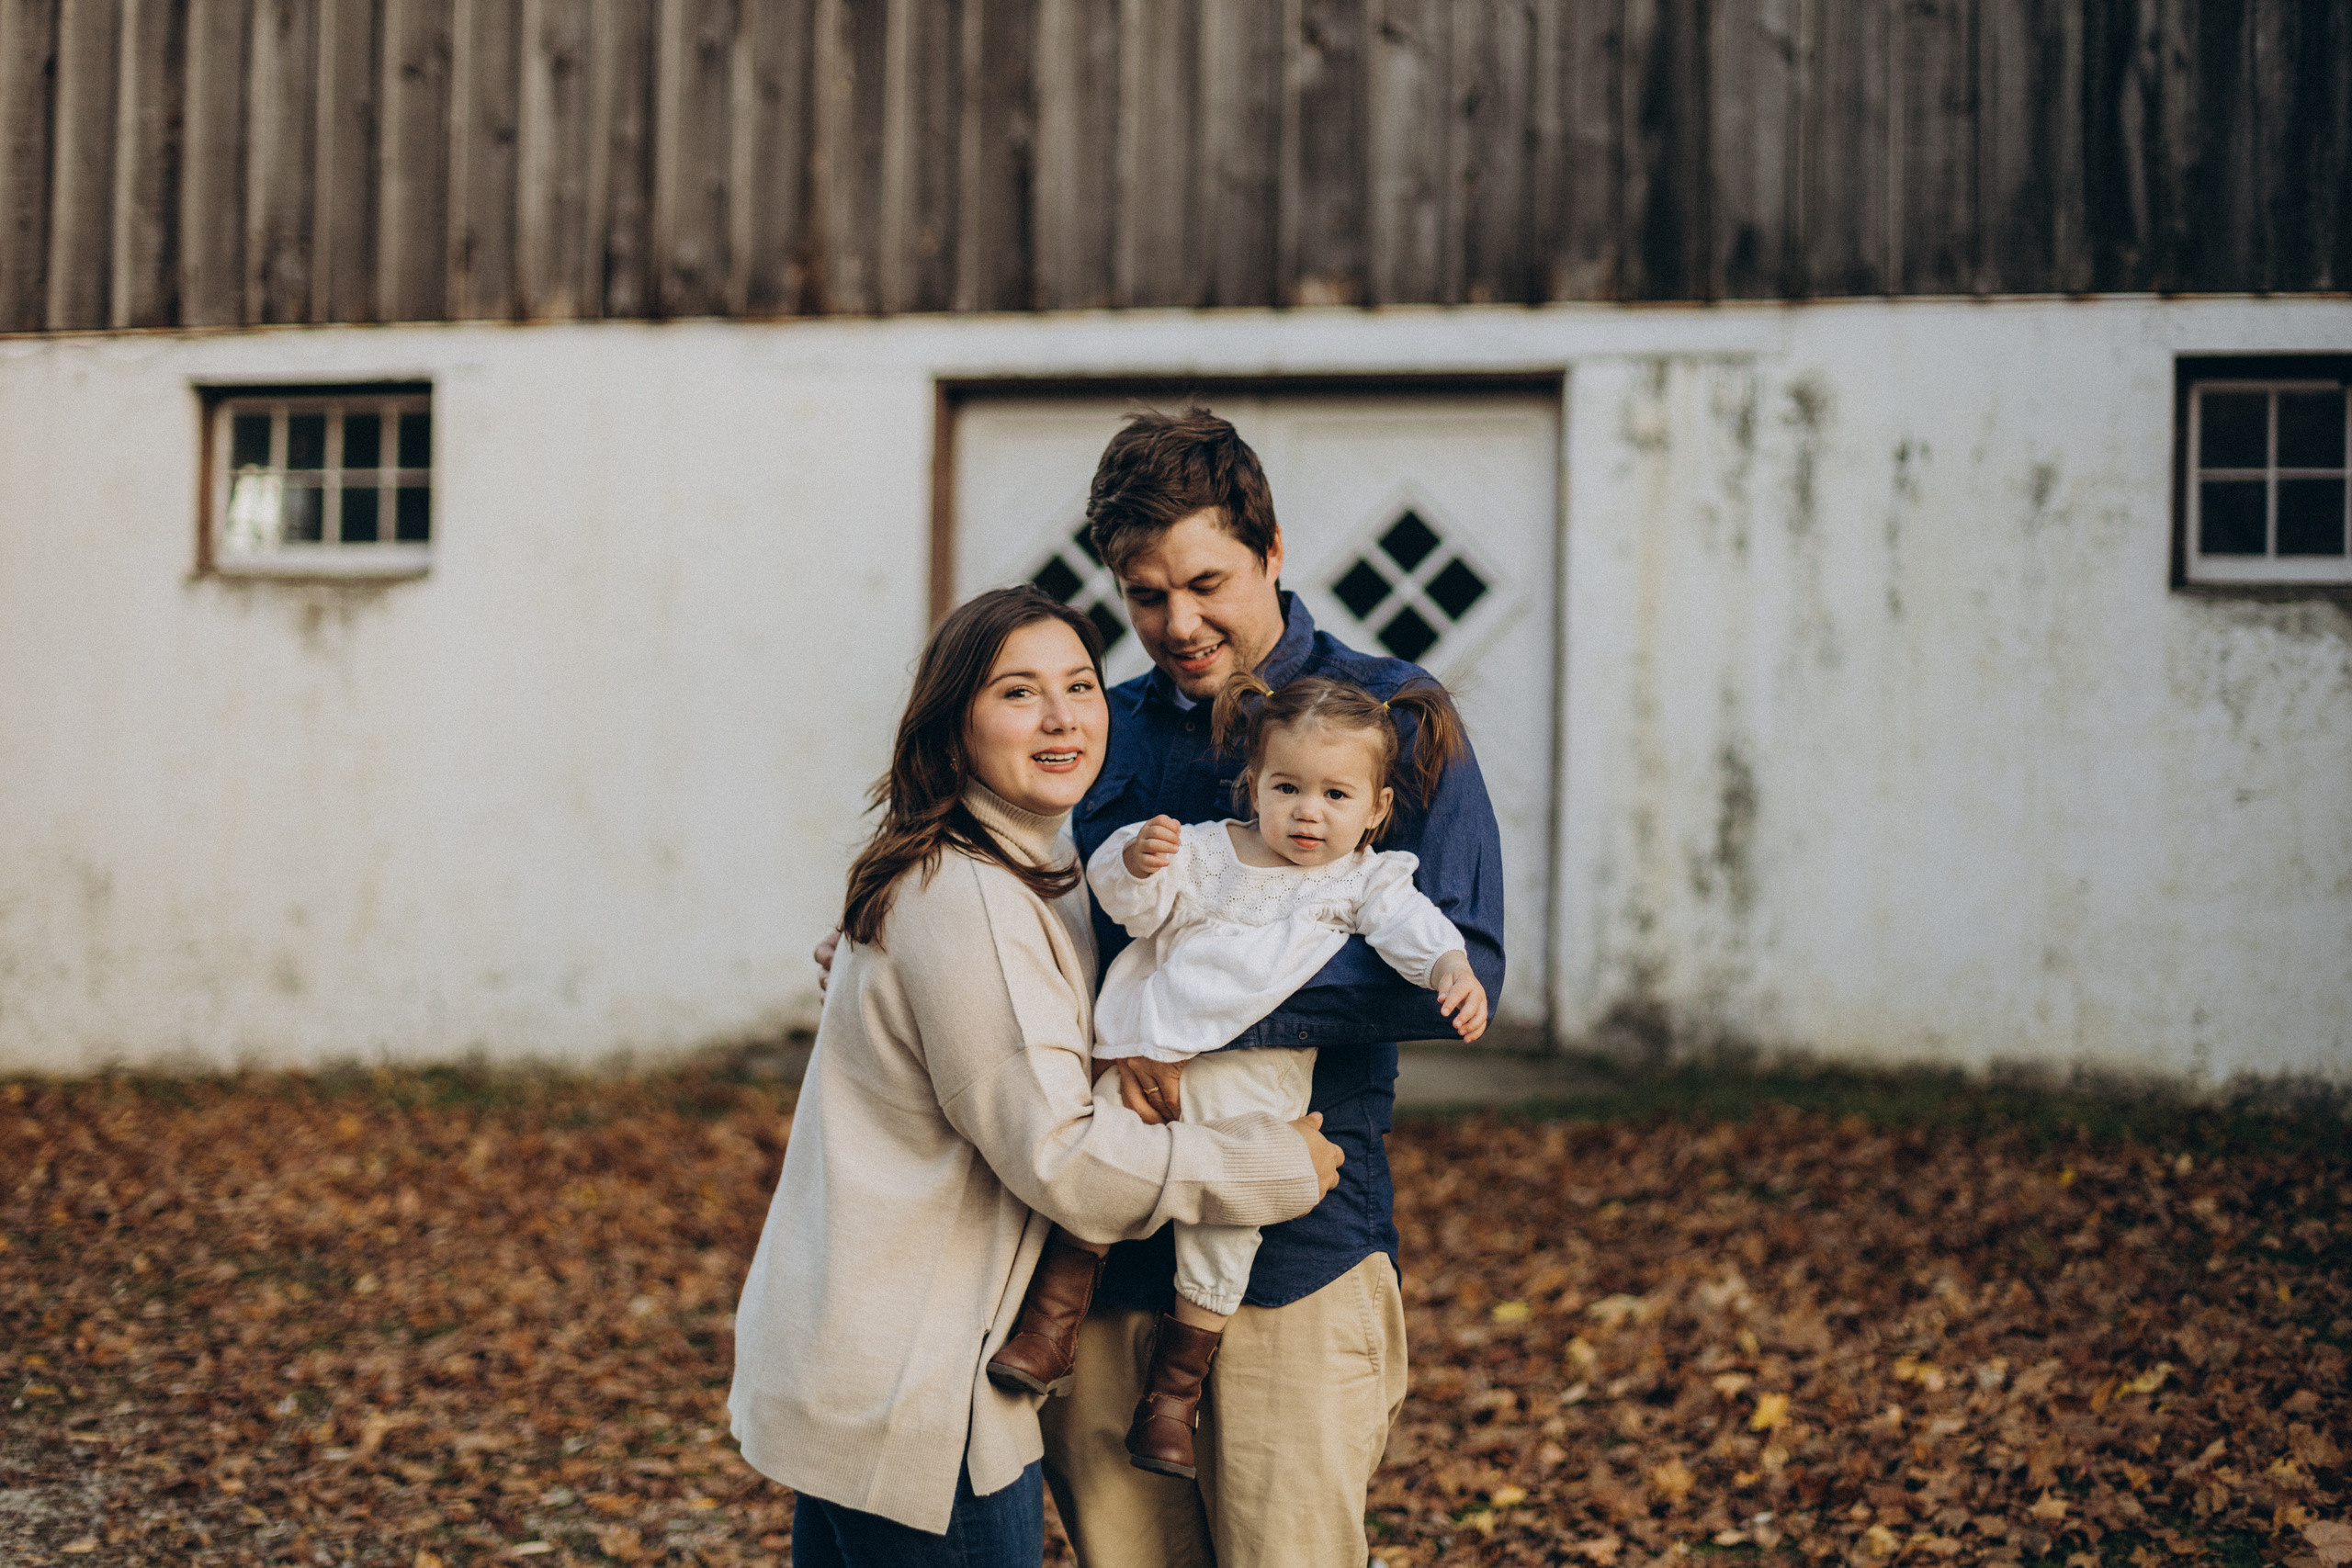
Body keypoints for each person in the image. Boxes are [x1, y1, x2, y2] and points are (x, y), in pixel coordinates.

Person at [809, 411, 1507, 1564]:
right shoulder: (1101, 729)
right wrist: (898, 947)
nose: (1178, 624)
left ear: (1271, 550)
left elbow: (1459, 967)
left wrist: (1191, 1017)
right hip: (1100, 1245)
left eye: (1206, 583)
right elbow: (1019, 906)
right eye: (1144, 596)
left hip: (1295, 1240)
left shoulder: (1390, 718)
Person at [730, 585, 1346, 1567]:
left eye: (1080, 686)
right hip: (918, 1384)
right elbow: (1062, 1157)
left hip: (864, 1357)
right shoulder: (969, 896)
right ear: (954, 724)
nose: (1063, 717)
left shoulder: (1021, 866)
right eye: (1019, 692)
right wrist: (1266, 1165)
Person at [983, 671, 1490, 1486]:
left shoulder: (1363, 879)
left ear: (1377, 809)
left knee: (1225, 1234)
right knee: (1101, 1173)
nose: (1308, 812)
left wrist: (1450, 968)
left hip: (1253, 1090)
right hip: (1150, 1058)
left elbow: (1412, 928)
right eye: (1287, 788)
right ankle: (1050, 1324)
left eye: (1335, 795)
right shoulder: (1208, 850)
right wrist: (1139, 861)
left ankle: (1171, 1399)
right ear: (1253, 785)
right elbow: (1132, 905)